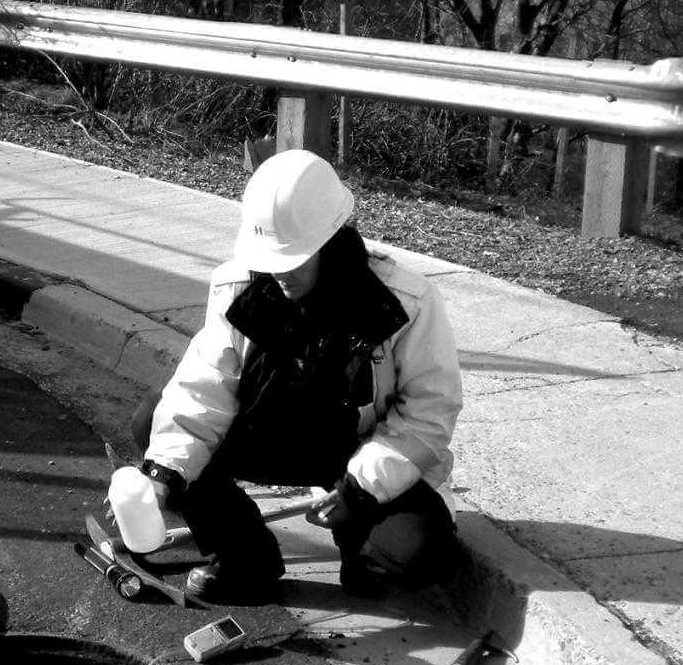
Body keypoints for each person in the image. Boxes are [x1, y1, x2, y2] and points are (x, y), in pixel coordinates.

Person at [132, 149, 464, 604]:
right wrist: (162, 474)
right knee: (154, 421)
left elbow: (429, 414)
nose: (279, 272)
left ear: (329, 241)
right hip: (264, 434)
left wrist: (361, 490)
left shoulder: (405, 303)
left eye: (293, 258)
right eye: (270, 258)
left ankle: (359, 549)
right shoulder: (240, 287)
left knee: (414, 553)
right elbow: (203, 388)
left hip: (355, 449)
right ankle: (247, 557)